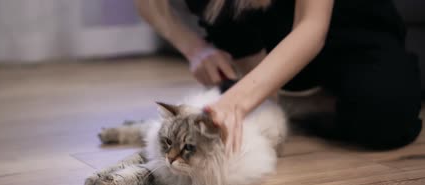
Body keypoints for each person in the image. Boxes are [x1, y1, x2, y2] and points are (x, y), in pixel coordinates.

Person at [134, 0, 422, 152]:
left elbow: (311, 27)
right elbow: (148, 5)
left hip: (349, 28)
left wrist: (236, 102)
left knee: (386, 114)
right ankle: (276, 102)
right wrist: (195, 49)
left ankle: (291, 106)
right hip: (265, 34)